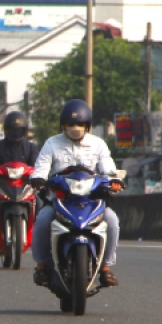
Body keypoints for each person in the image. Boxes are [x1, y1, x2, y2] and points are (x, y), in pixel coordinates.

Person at [31, 99, 122, 288]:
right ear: (62, 125)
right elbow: (41, 167)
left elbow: (108, 169)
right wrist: (38, 179)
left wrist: (114, 181)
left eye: (80, 124)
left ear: (87, 125)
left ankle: (106, 268)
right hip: (60, 200)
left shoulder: (98, 144)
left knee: (112, 220)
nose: (75, 127)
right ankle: (41, 266)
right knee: (42, 219)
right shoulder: (52, 144)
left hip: (92, 201)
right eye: (71, 124)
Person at [0, 111, 41, 250]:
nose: (16, 134)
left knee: (39, 199)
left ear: (25, 131)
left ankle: (40, 229)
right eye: (12, 131)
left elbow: (37, 164)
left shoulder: (31, 148)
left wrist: (39, 172)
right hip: (3, 185)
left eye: (19, 131)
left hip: (25, 185)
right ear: (6, 131)